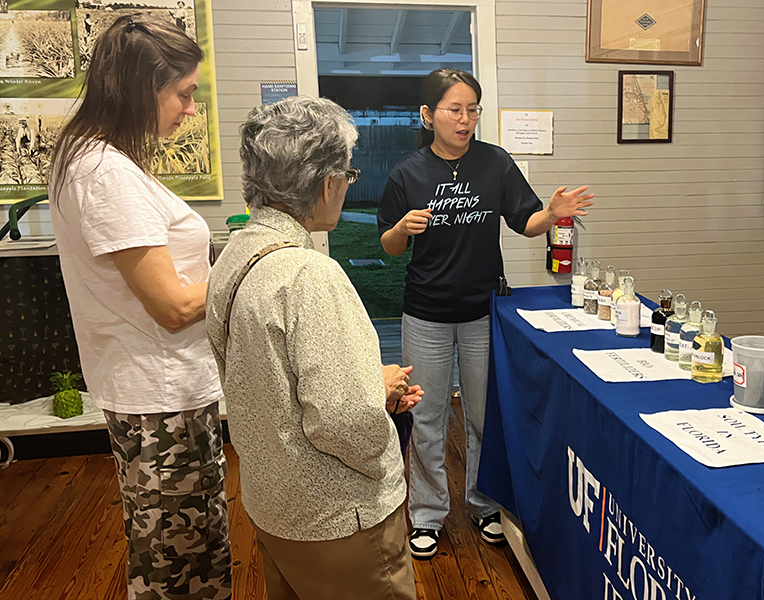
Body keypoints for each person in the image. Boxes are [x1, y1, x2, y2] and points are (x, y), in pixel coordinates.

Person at [206, 95, 421, 600]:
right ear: (326, 182)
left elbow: (265, 379)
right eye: (348, 174)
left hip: (273, 503)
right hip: (339, 521)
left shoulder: (234, 252)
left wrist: (371, 390)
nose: (348, 184)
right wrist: (377, 398)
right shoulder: (309, 275)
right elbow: (345, 420)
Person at [377, 68, 594, 560]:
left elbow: (526, 223)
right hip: (426, 312)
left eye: (473, 109)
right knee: (428, 415)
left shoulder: (495, 163)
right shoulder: (406, 173)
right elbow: (388, 246)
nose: (466, 119)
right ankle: (428, 515)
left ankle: (484, 503)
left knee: (482, 414)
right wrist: (403, 230)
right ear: (428, 115)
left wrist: (554, 211)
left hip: (483, 312)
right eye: (455, 109)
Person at [48, 15, 231, 599]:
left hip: (165, 389)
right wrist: (249, 262)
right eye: (183, 94)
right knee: (179, 567)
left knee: (191, 548)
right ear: (140, 89)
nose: (189, 109)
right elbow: (174, 306)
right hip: (158, 400)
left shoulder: (97, 158)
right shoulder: (104, 173)